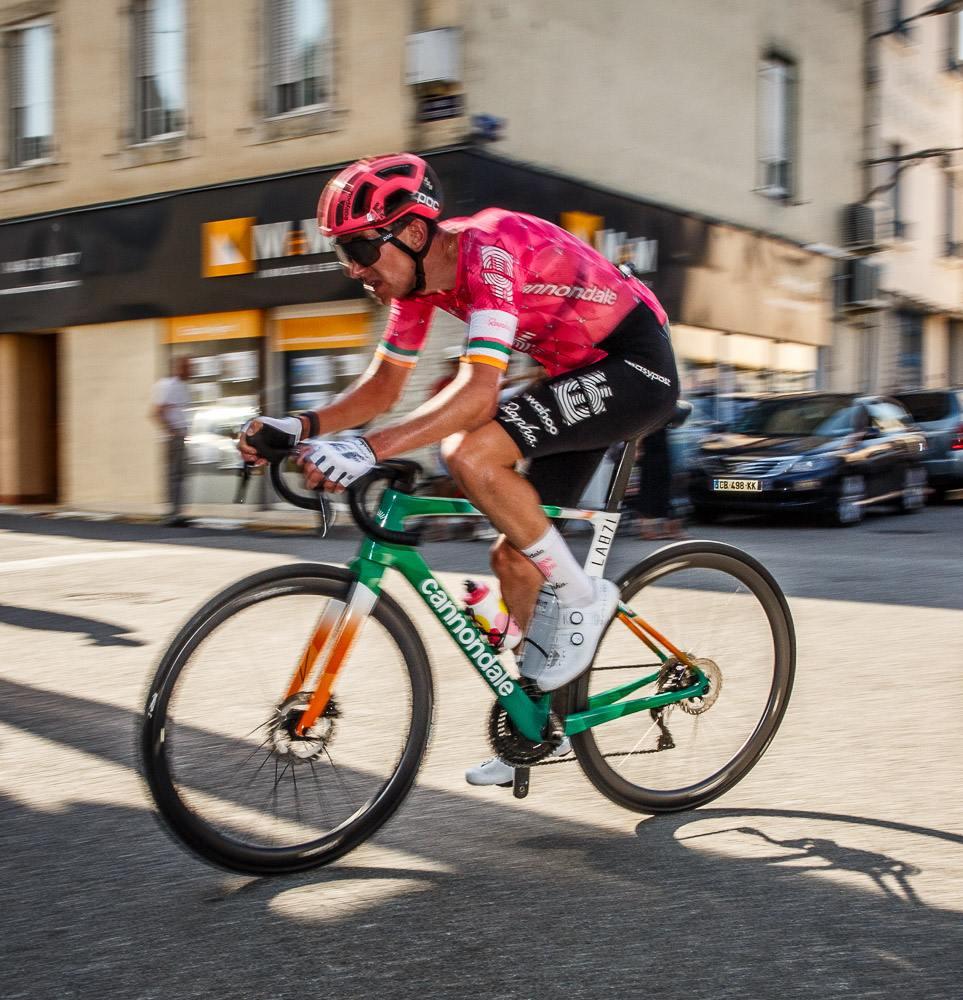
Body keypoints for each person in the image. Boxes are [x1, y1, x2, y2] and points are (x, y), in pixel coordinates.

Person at [237, 153, 680, 785]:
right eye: (344, 254)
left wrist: (369, 449)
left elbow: (476, 395)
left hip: (635, 367)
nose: (355, 269)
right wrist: (300, 426)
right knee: (513, 560)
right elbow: (383, 388)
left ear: (414, 232)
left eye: (360, 248)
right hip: (577, 376)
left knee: (468, 451)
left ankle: (585, 599)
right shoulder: (417, 286)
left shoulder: (487, 251)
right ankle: (539, 720)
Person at [150, 355, 192, 525]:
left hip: (179, 437)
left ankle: (177, 511)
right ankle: (173, 513)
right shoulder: (167, 385)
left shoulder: (181, 386)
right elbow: (155, 412)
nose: (190, 370)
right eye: (187, 366)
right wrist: (172, 431)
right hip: (172, 438)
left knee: (180, 475)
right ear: (179, 367)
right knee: (174, 475)